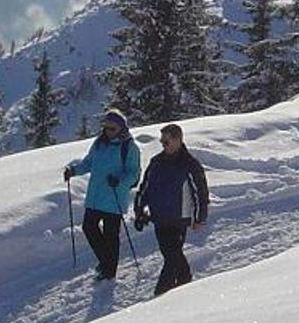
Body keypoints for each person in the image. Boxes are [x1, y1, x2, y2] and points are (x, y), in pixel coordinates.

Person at [64, 108, 141, 280]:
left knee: (110, 236)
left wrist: (119, 181)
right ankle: (106, 261)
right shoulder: (99, 143)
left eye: (112, 128)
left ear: (122, 128)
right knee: (88, 228)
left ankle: (109, 270)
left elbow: (134, 173)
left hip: (114, 197)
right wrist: (73, 170)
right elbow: (88, 162)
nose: (108, 131)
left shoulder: (129, 147)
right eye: (106, 127)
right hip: (96, 196)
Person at [133, 122, 209, 296]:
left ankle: (161, 295)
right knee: (172, 255)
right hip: (159, 218)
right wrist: (139, 210)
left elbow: (201, 192)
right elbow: (145, 188)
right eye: (161, 141)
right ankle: (184, 282)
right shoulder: (156, 162)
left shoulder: (189, 164)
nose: (163, 144)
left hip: (179, 219)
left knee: (172, 257)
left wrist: (200, 217)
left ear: (177, 140)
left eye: (166, 141)